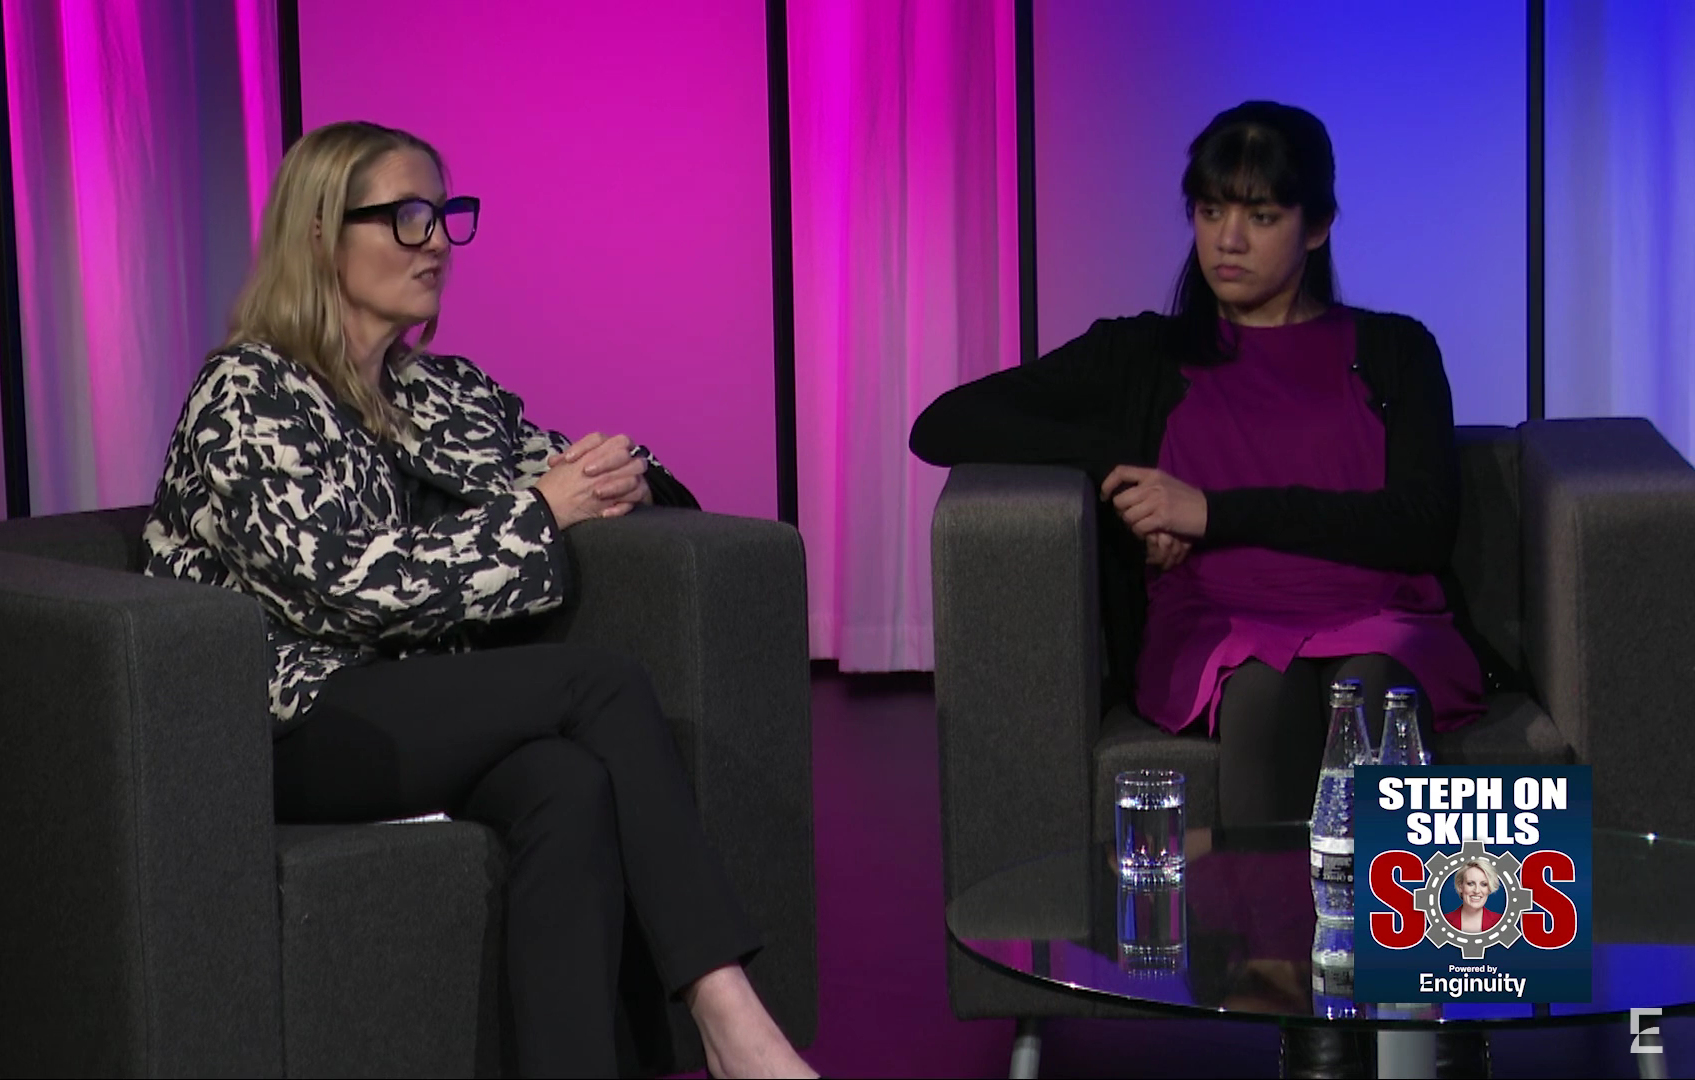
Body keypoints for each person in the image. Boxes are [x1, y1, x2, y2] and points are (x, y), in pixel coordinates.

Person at [143, 120, 814, 1079]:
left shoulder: (441, 390)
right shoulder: (246, 391)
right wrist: (543, 511)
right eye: (408, 218)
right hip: (284, 717)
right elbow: (345, 586)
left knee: (568, 786)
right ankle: (728, 1014)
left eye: (447, 217)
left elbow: (581, 466)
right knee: (601, 687)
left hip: (416, 703)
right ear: (322, 234)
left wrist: (627, 478)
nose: (438, 244)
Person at [910, 100, 1488, 828]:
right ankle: (1265, 944)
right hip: (1221, 620)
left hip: (1381, 614)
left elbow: (1423, 526)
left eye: (1261, 216)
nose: (1229, 241)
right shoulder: (1142, 354)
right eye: (1210, 212)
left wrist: (1212, 510)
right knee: (1261, 689)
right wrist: (1121, 479)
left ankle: (1385, 939)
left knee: (1377, 684)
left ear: (1317, 225)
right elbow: (942, 424)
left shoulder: (1397, 350)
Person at [1447, 861, 1504, 933]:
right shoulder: (1443, 921)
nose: (1477, 891)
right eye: (1470, 883)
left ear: (1489, 888)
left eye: (1484, 884)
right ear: (1460, 886)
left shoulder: (1501, 921)